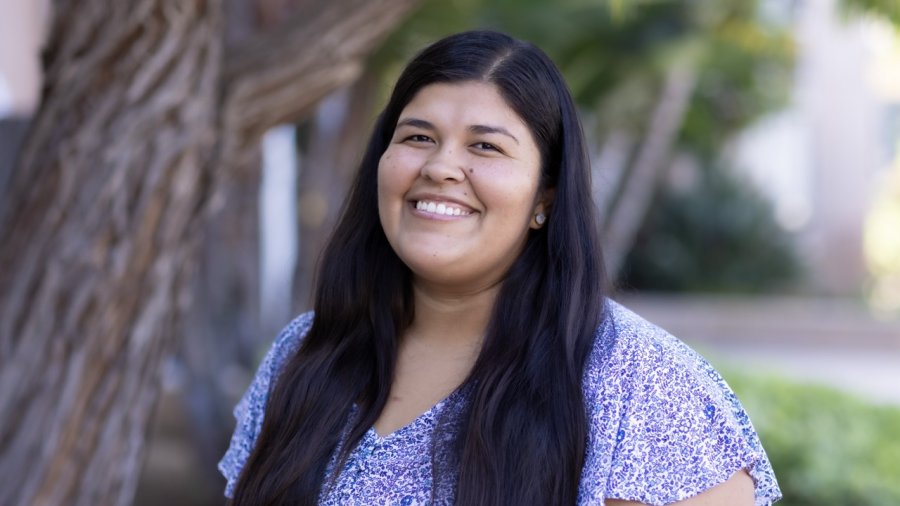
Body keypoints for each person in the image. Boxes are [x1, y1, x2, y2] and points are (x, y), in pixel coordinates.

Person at [219, 30, 782, 505]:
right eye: (418, 137)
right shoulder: (304, 354)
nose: (441, 167)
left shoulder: (641, 385)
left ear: (546, 197)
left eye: (485, 148)